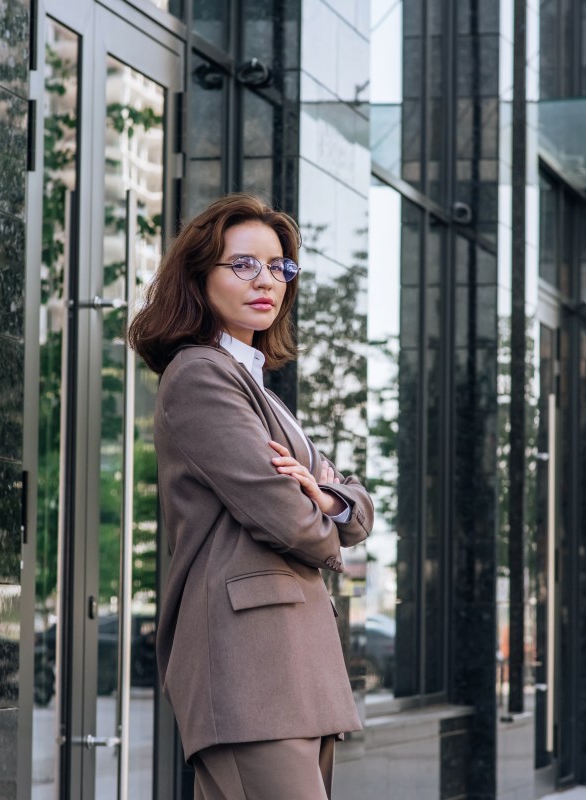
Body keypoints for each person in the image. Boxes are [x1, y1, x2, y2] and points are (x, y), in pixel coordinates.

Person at [129, 193, 373, 799]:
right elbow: (289, 519)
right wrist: (323, 519)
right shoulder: (200, 374)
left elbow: (359, 508)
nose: (266, 281)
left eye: (278, 267)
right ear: (197, 275)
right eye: (243, 265)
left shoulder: (258, 385)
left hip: (296, 663)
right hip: (248, 666)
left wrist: (329, 498)